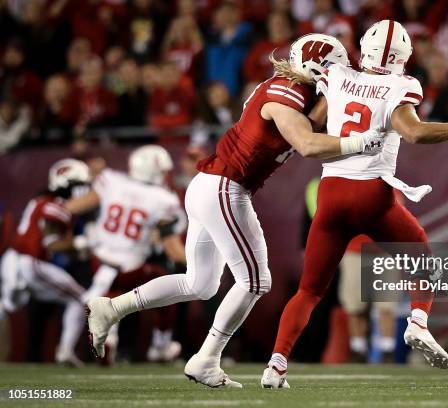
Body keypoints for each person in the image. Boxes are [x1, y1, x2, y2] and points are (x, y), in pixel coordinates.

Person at [84, 34, 384, 388]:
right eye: (335, 72)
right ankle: (207, 359)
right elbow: (306, 143)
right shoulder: (285, 92)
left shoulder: (294, 91)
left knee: (200, 283)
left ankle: (112, 309)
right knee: (257, 281)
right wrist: (361, 142)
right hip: (226, 187)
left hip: (211, 185)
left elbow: (312, 127)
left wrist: (333, 100)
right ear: (319, 69)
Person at [261, 20, 448, 389]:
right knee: (424, 266)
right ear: (404, 56)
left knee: (309, 291)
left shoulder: (338, 75)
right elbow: (415, 132)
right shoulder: (402, 84)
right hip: (372, 193)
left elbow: (311, 124)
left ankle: (276, 365)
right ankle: (419, 325)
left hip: (331, 193)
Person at [65, 145, 187, 363]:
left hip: (98, 261)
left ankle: (109, 335)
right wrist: (195, 263)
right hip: (130, 266)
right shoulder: (163, 199)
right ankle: (160, 345)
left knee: (115, 289)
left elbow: (73, 207)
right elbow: (173, 248)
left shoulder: (111, 181)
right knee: (168, 286)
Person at [0, 159, 91, 366]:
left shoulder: (42, 200)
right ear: (66, 183)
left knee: (8, 304)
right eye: (79, 185)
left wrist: (77, 249)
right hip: (30, 261)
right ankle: (65, 350)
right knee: (80, 299)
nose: (83, 191)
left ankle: (65, 351)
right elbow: (52, 245)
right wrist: (83, 241)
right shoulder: (55, 206)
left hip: (13, 259)